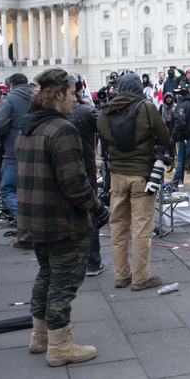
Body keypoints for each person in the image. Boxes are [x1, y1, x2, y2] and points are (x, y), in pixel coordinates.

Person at [16, 69, 110, 367]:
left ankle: (40, 337)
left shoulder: (29, 127)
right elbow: (75, 183)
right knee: (64, 281)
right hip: (62, 220)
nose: (76, 98)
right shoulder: (61, 129)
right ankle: (59, 346)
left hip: (35, 218)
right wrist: (98, 208)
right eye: (72, 93)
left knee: (46, 274)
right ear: (57, 94)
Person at [97, 73, 170, 291]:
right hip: (142, 176)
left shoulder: (105, 111)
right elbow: (164, 136)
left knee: (118, 228)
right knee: (141, 228)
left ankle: (121, 275)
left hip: (117, 176)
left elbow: (103, 141)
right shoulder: (146, 108)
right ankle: (140, 278)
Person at [68, 75, 106, 277]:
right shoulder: (85, 112)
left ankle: (74, 261)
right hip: (85, 169)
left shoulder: (51, 113)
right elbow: (106, 128)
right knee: (90, 214)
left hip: (63, 171)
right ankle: (92, 262)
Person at [0, 73, 37, 240]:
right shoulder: (37, 99)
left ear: (10, 85)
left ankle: (26, 222)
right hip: (36, 153)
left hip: (13, 153)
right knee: (32, 192)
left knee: (7, 189)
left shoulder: (9, 101)